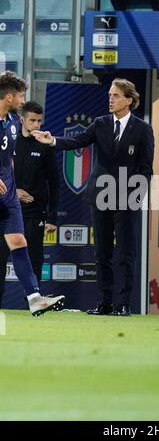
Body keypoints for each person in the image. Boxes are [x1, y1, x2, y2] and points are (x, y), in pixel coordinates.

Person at [33, 78, 154, 316]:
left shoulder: (142, 129)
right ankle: (105, 303)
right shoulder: (100, 124)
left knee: (126, 253)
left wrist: (135, 198)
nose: (110, 99)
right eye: (110, 95)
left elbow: (146, 169)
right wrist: (53, 140)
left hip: (126, 200)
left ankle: (124, 304)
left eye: (116, 95)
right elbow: (77, 141)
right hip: (100, 197)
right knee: (102, 253)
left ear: (129, 100)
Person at [0, 71, 65, 316]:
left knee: (19, 241)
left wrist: (10, 179)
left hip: (7, 195)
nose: (23, 100)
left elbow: (9, 158)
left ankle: (35, 298)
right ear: (9, 97)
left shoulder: (14, 122)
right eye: (20, 95)